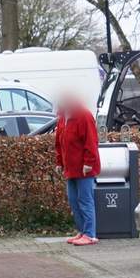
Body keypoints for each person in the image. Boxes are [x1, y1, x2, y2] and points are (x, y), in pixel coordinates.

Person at [55, 90, 101, 246]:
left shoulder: (84, 116)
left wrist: (88, 163)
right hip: (71, 168)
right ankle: (82, 231)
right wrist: (59, 162)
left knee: (85, 200)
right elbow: (59, 143)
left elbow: (91, 142)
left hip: (84, 169)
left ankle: (90, 234)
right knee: (74, 200)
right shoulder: (63, 118)